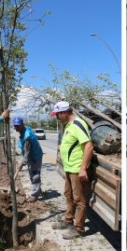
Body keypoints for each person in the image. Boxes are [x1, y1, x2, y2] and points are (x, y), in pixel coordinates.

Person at [50, 101, 94, 239]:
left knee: (79, 199)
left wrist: (82, 169)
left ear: (64, 113)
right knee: (68, 195)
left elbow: (89, 146)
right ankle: (68, 221)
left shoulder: (78, 124)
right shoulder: (69, 125)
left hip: (77, 169)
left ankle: (79, 229)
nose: (56, 118)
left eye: (57, 115)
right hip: (69, 169)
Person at [13, 117, 43, 202]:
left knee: (35, 175)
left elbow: (27, 153)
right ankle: (37, 190)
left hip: (35, 157)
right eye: (15, 126)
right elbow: (26, 153)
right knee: (31, 174)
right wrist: (22, 163)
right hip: (31, 157)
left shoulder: (27, 137)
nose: (16, 127)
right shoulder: (24, 131)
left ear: (22, 125)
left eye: (18, 126)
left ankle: (34, 195)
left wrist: (21, 164)